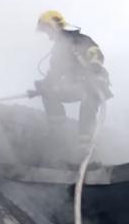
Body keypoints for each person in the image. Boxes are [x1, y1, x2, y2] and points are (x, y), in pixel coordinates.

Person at [31, 10, 112, 144]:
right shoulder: (58, 50)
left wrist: (94, 67)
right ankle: (57, 133)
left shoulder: (80, 40)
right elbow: (55, 73)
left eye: (47, 30)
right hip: (77, 85)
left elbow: (95, 54)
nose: (48, 35)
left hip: (95, 84)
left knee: (88, 102)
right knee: (48, 92)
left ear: (54, 26)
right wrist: (43, 86)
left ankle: (86, 144)